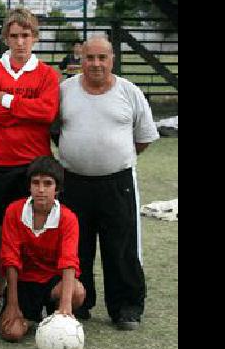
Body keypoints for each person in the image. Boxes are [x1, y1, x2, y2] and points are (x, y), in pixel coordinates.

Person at [54, 35, 159, 331]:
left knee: (121, 247)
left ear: (112, 59)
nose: (96, 64)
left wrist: (112, 157)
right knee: (77, 247)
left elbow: (143, 138)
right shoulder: (65, 91)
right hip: (73, 183)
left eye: (102, 58)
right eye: (90, 58)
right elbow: (55, 131)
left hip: (118, 184)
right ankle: (79, 301)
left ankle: (126, 307)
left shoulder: (129, 92)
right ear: (81, 60)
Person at [0, 7, 60, 321]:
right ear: (5, 38)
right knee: (0, 231)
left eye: (26, 35)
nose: (20, 42)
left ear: (35, 37)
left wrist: (8, 101)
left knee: (35, 230)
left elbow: (47, 113)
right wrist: (26, 108)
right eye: (14, 35)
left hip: (35, 164)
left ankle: (31, 294)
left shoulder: (48, 74)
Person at [0, 156, 86, 342]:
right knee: (12, 334)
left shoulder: (68, 218)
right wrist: (12, 304)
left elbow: (69, 262)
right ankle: (29, 318)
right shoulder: (14, 211)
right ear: (29, 186)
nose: (41, 189)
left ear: (58, 188)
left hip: (52, 283)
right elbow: (10, 259)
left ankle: (54, 315)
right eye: (36, 183)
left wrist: (66, 306)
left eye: (48, 183)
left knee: (77, 292)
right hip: (23, 283)